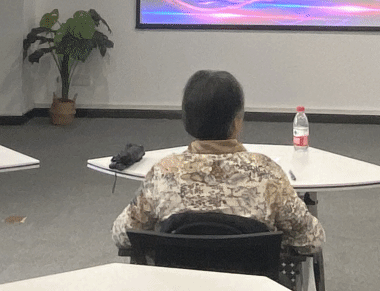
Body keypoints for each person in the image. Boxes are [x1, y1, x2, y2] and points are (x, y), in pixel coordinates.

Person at [111, 69, 324, 253]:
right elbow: (312, 239)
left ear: (186, 121)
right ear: (237, 122)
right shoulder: (266, 173)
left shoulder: (163, 173)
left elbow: (122, 235)